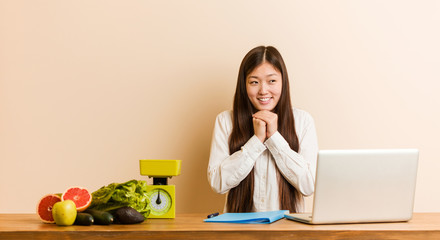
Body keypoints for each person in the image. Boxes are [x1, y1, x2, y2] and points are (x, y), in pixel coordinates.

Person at [207, 46, 318, 213]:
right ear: (244, 85)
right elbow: (217, 183)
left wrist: (274, 137)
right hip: (239, 232)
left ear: (283, 82)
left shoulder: (303, 121)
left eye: (271, 81)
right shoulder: (226, 121)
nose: (263, 90)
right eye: (254, 82)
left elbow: (309, 185)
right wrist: (256, 141)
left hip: (289, 232)